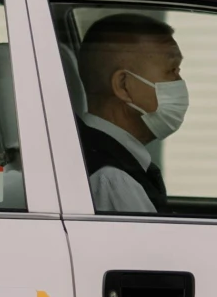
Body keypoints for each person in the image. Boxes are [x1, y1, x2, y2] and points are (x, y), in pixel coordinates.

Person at [76, 13, 187, 214]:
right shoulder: (112, 179)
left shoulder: (112, 159)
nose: (179, 82)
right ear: (124, 86)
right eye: (172, 70)